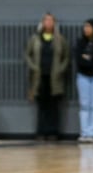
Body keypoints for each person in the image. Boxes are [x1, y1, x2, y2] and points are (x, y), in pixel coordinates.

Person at [24, 12, 70, 140]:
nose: (48, 23)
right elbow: (27, 54)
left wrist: (61, 68)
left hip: (54, 78)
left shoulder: (60, 39)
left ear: (54, 23)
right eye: (46, 20)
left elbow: (66, 56)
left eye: (51, 20)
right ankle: (41, 131)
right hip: (39, 77)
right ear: (42, 23)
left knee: (54, 106)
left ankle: (53, 131)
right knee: (41, 106)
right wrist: (33, 66)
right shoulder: (35, 39)